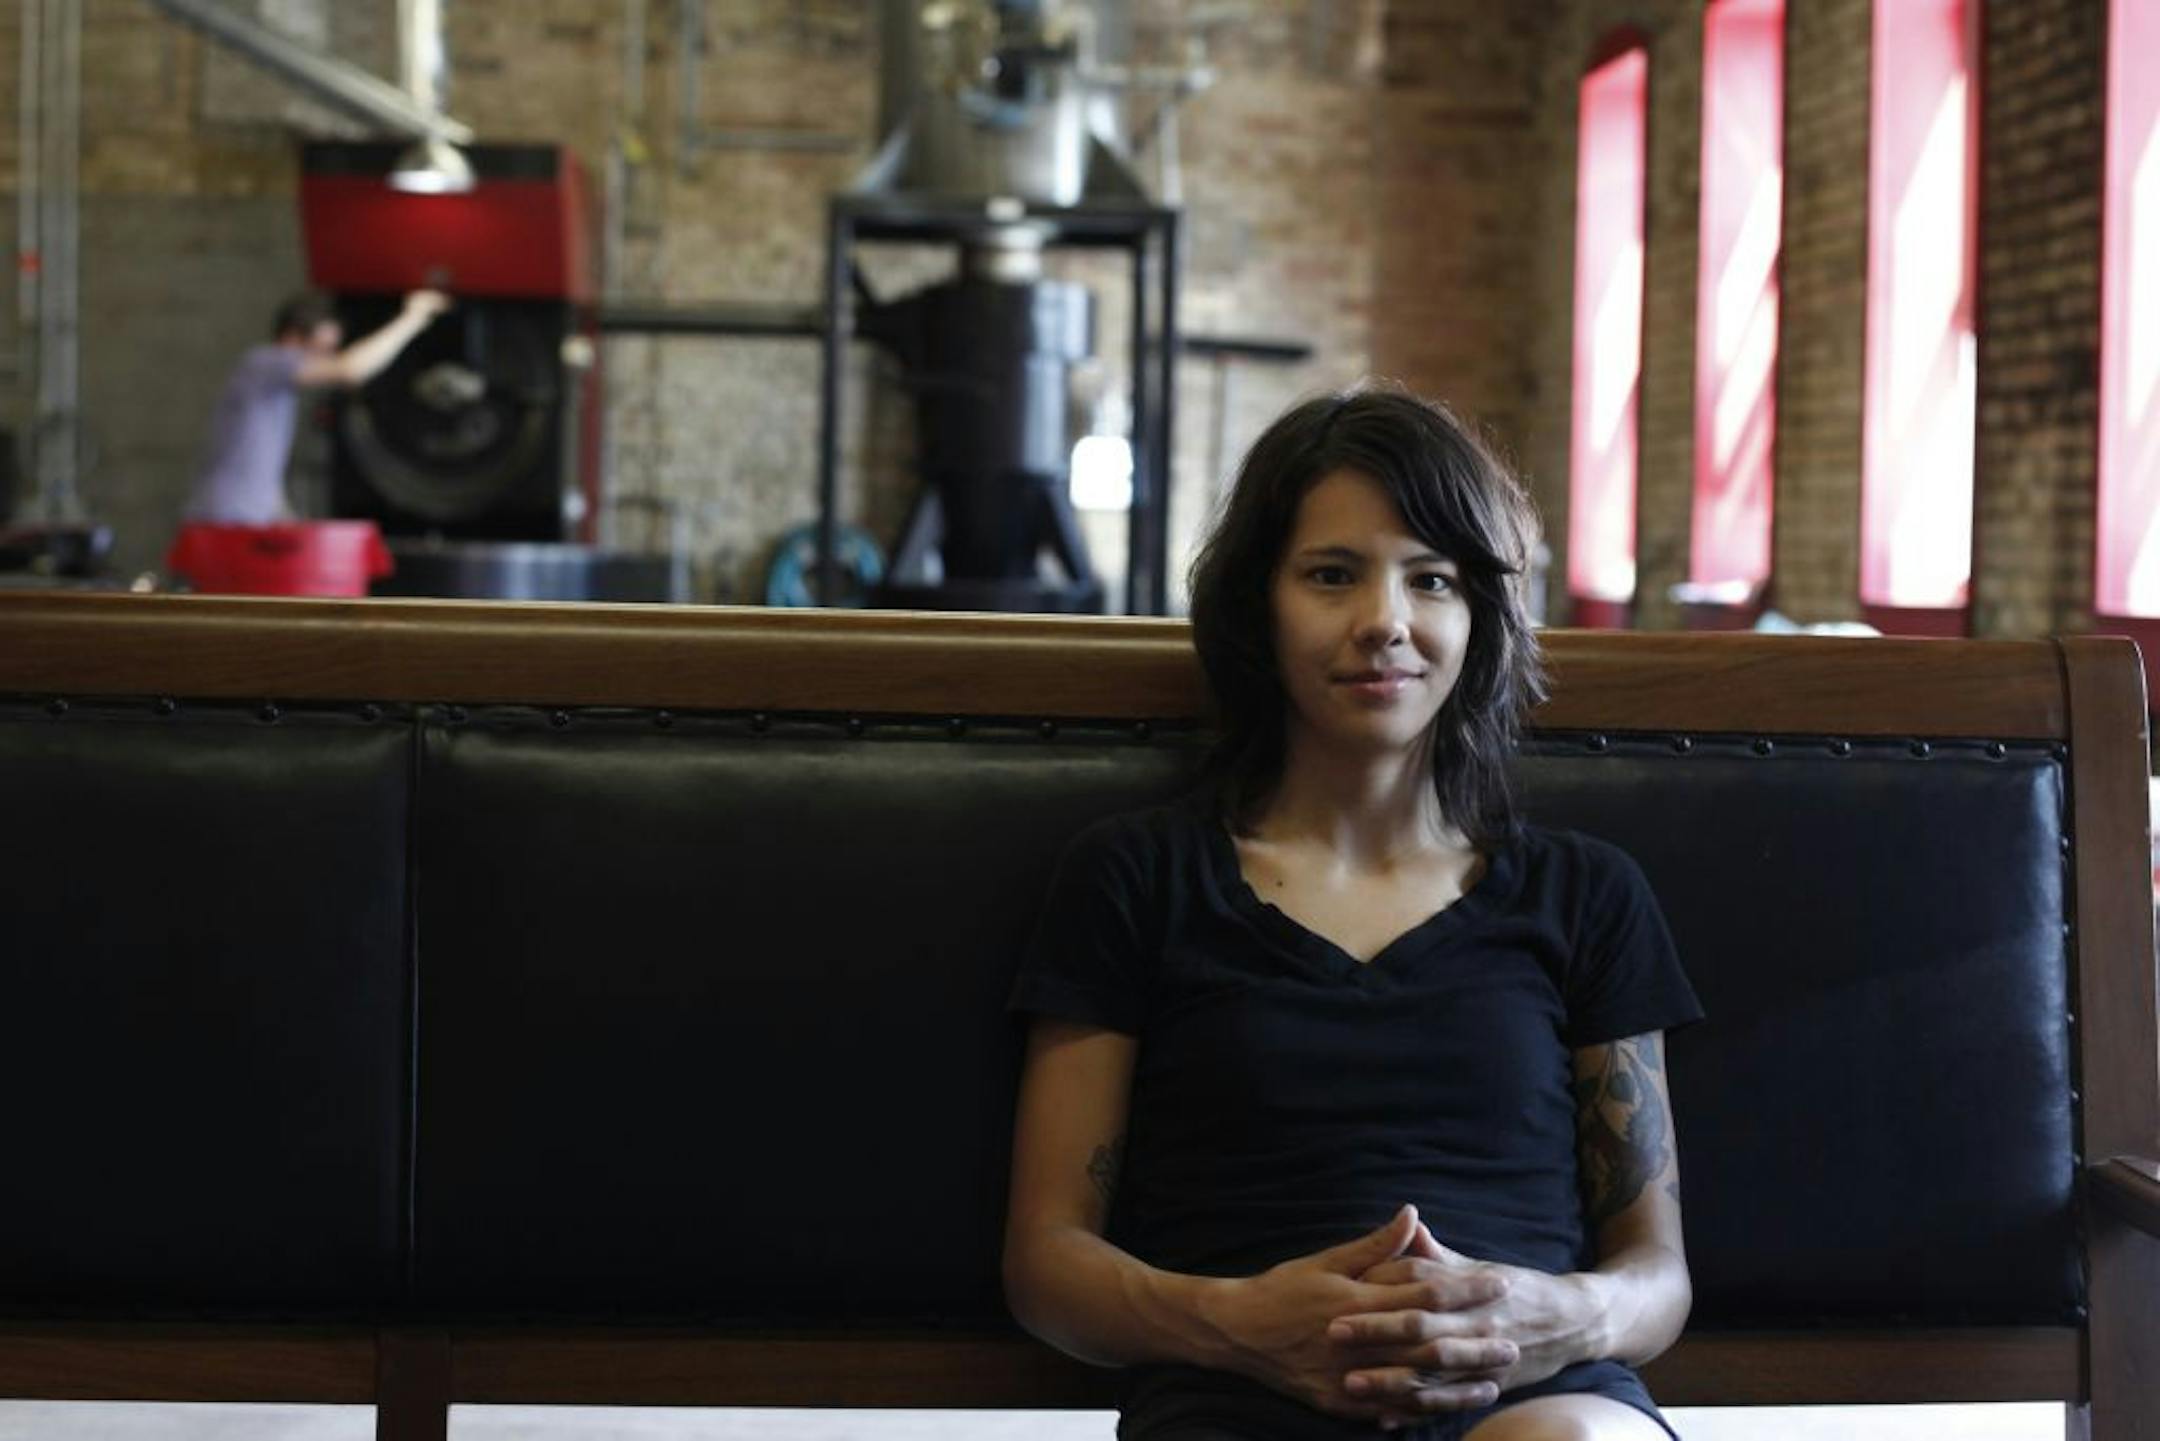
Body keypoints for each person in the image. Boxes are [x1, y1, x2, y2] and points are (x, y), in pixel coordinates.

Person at [1004, 386, 1702, 1440]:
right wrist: (1235, 1320)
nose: (1384, 621)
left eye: (1432, 579)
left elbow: (1656, 1272)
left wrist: (1558, 1313)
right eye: (1332, 575)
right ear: (1258, 605)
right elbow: (1047, 1260)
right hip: (1237, 1387)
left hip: (1533, 1394)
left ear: (1479, 616)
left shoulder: (1587, 895)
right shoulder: (1137, 878)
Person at [183, 288, 449, 525]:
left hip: (240, 519)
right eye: (322, 349)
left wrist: (288, 521)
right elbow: (351, 369)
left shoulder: (272, 393)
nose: (326, 359)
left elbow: (257, 468)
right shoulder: (264, 362)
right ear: (293, 338)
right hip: (226, 522)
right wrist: (412, 318)